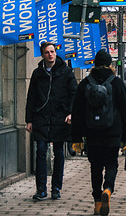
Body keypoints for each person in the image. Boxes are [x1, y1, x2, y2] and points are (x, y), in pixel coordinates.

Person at [70, 48, 126, 216]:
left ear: (94, 64)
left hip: (92, 133)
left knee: (95, 168)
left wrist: (77, 138)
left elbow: (77, 112)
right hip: (112, 133)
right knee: (111, 163)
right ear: (110, 64)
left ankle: (97, 202)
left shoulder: (85, 83)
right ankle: (108, 189)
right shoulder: (117, 83)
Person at [25, 41, 76, 202]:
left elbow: (74, 93)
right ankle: (41, 189)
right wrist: (29, 120)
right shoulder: (37, 73)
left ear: (56, 52)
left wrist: (71, 113)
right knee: (41, 150)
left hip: (59, 119)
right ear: (43, 54)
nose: (50, 54)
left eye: (52, 51)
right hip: (41, 118)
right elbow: (31, 97)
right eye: (47, 52)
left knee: (59, 152)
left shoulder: (66, 72)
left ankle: (56, 188)